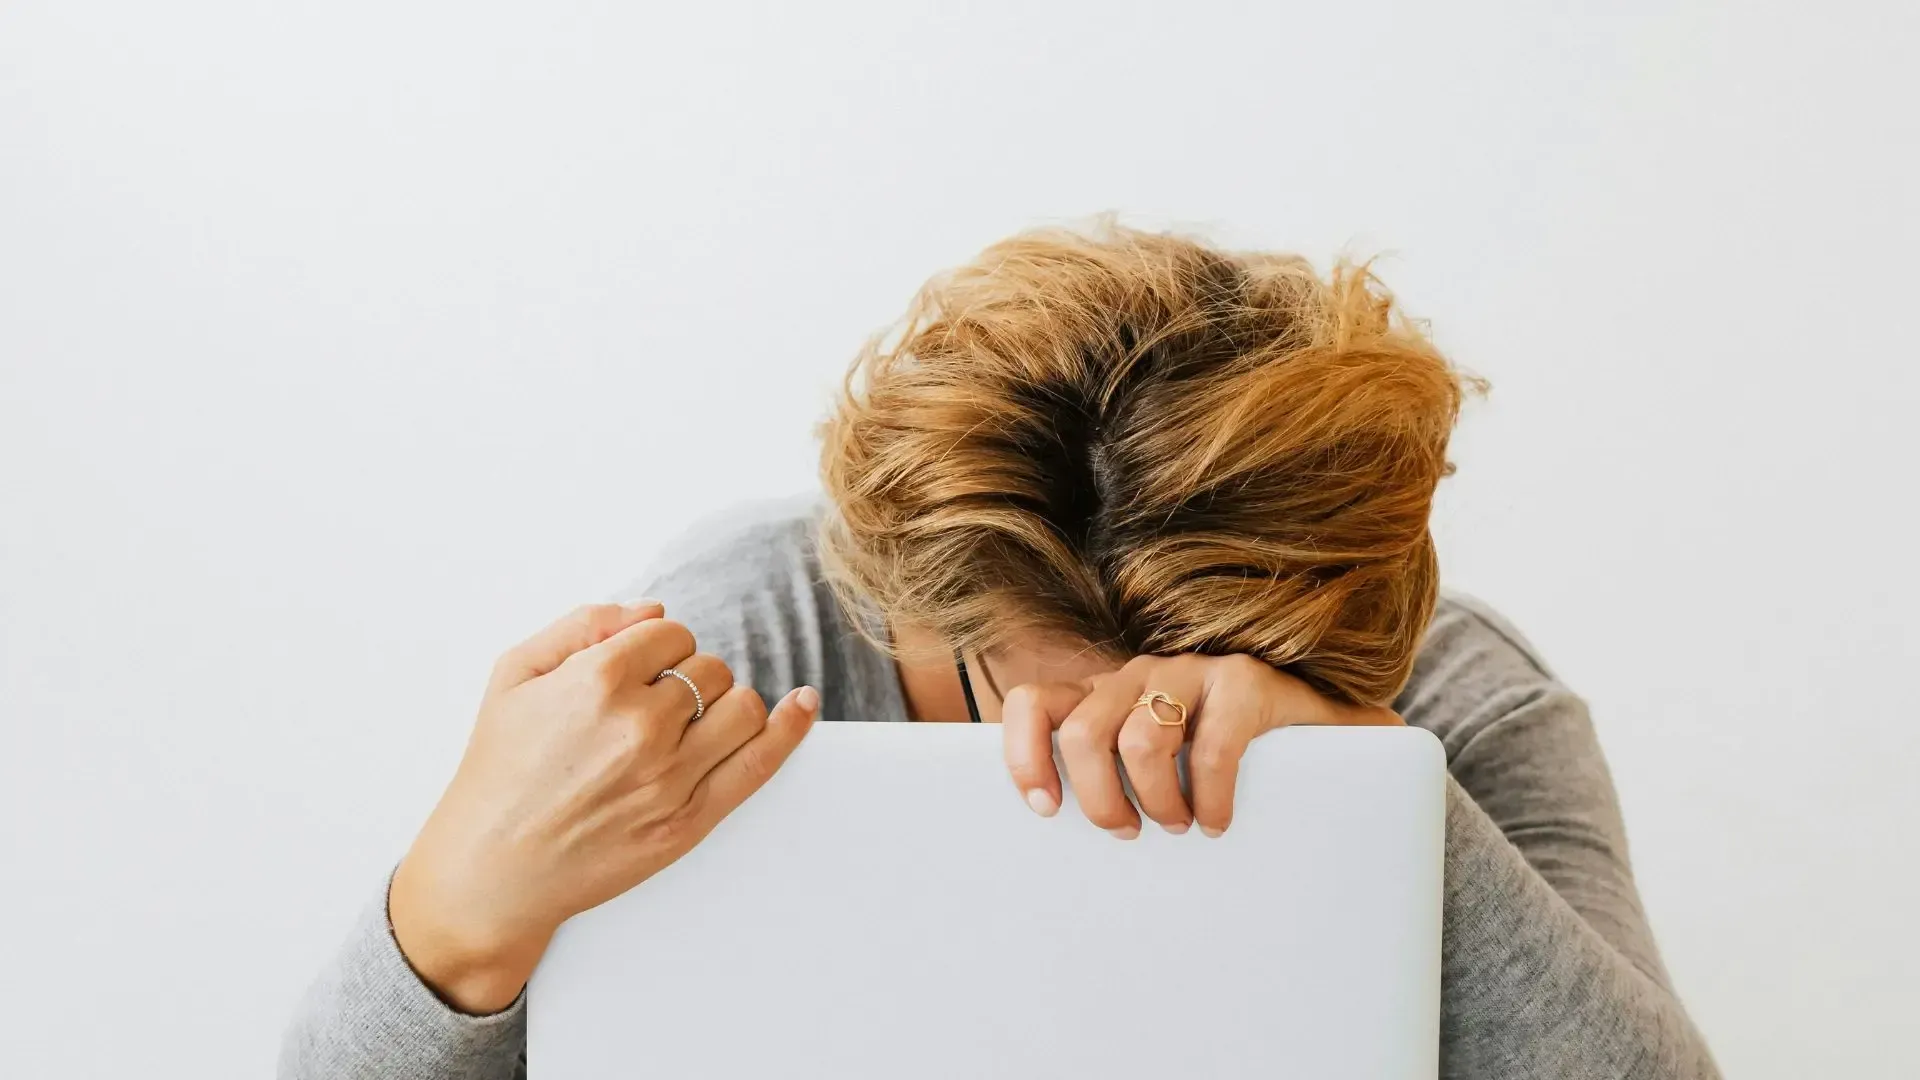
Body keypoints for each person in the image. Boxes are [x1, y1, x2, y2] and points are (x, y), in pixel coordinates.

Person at [279, 223, 1720, 1079]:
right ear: (921, 606)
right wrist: (453, 915)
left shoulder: (1466, 696)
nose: (1132, 753)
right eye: (1059, 701)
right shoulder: (741, 647)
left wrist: (1374, 801)